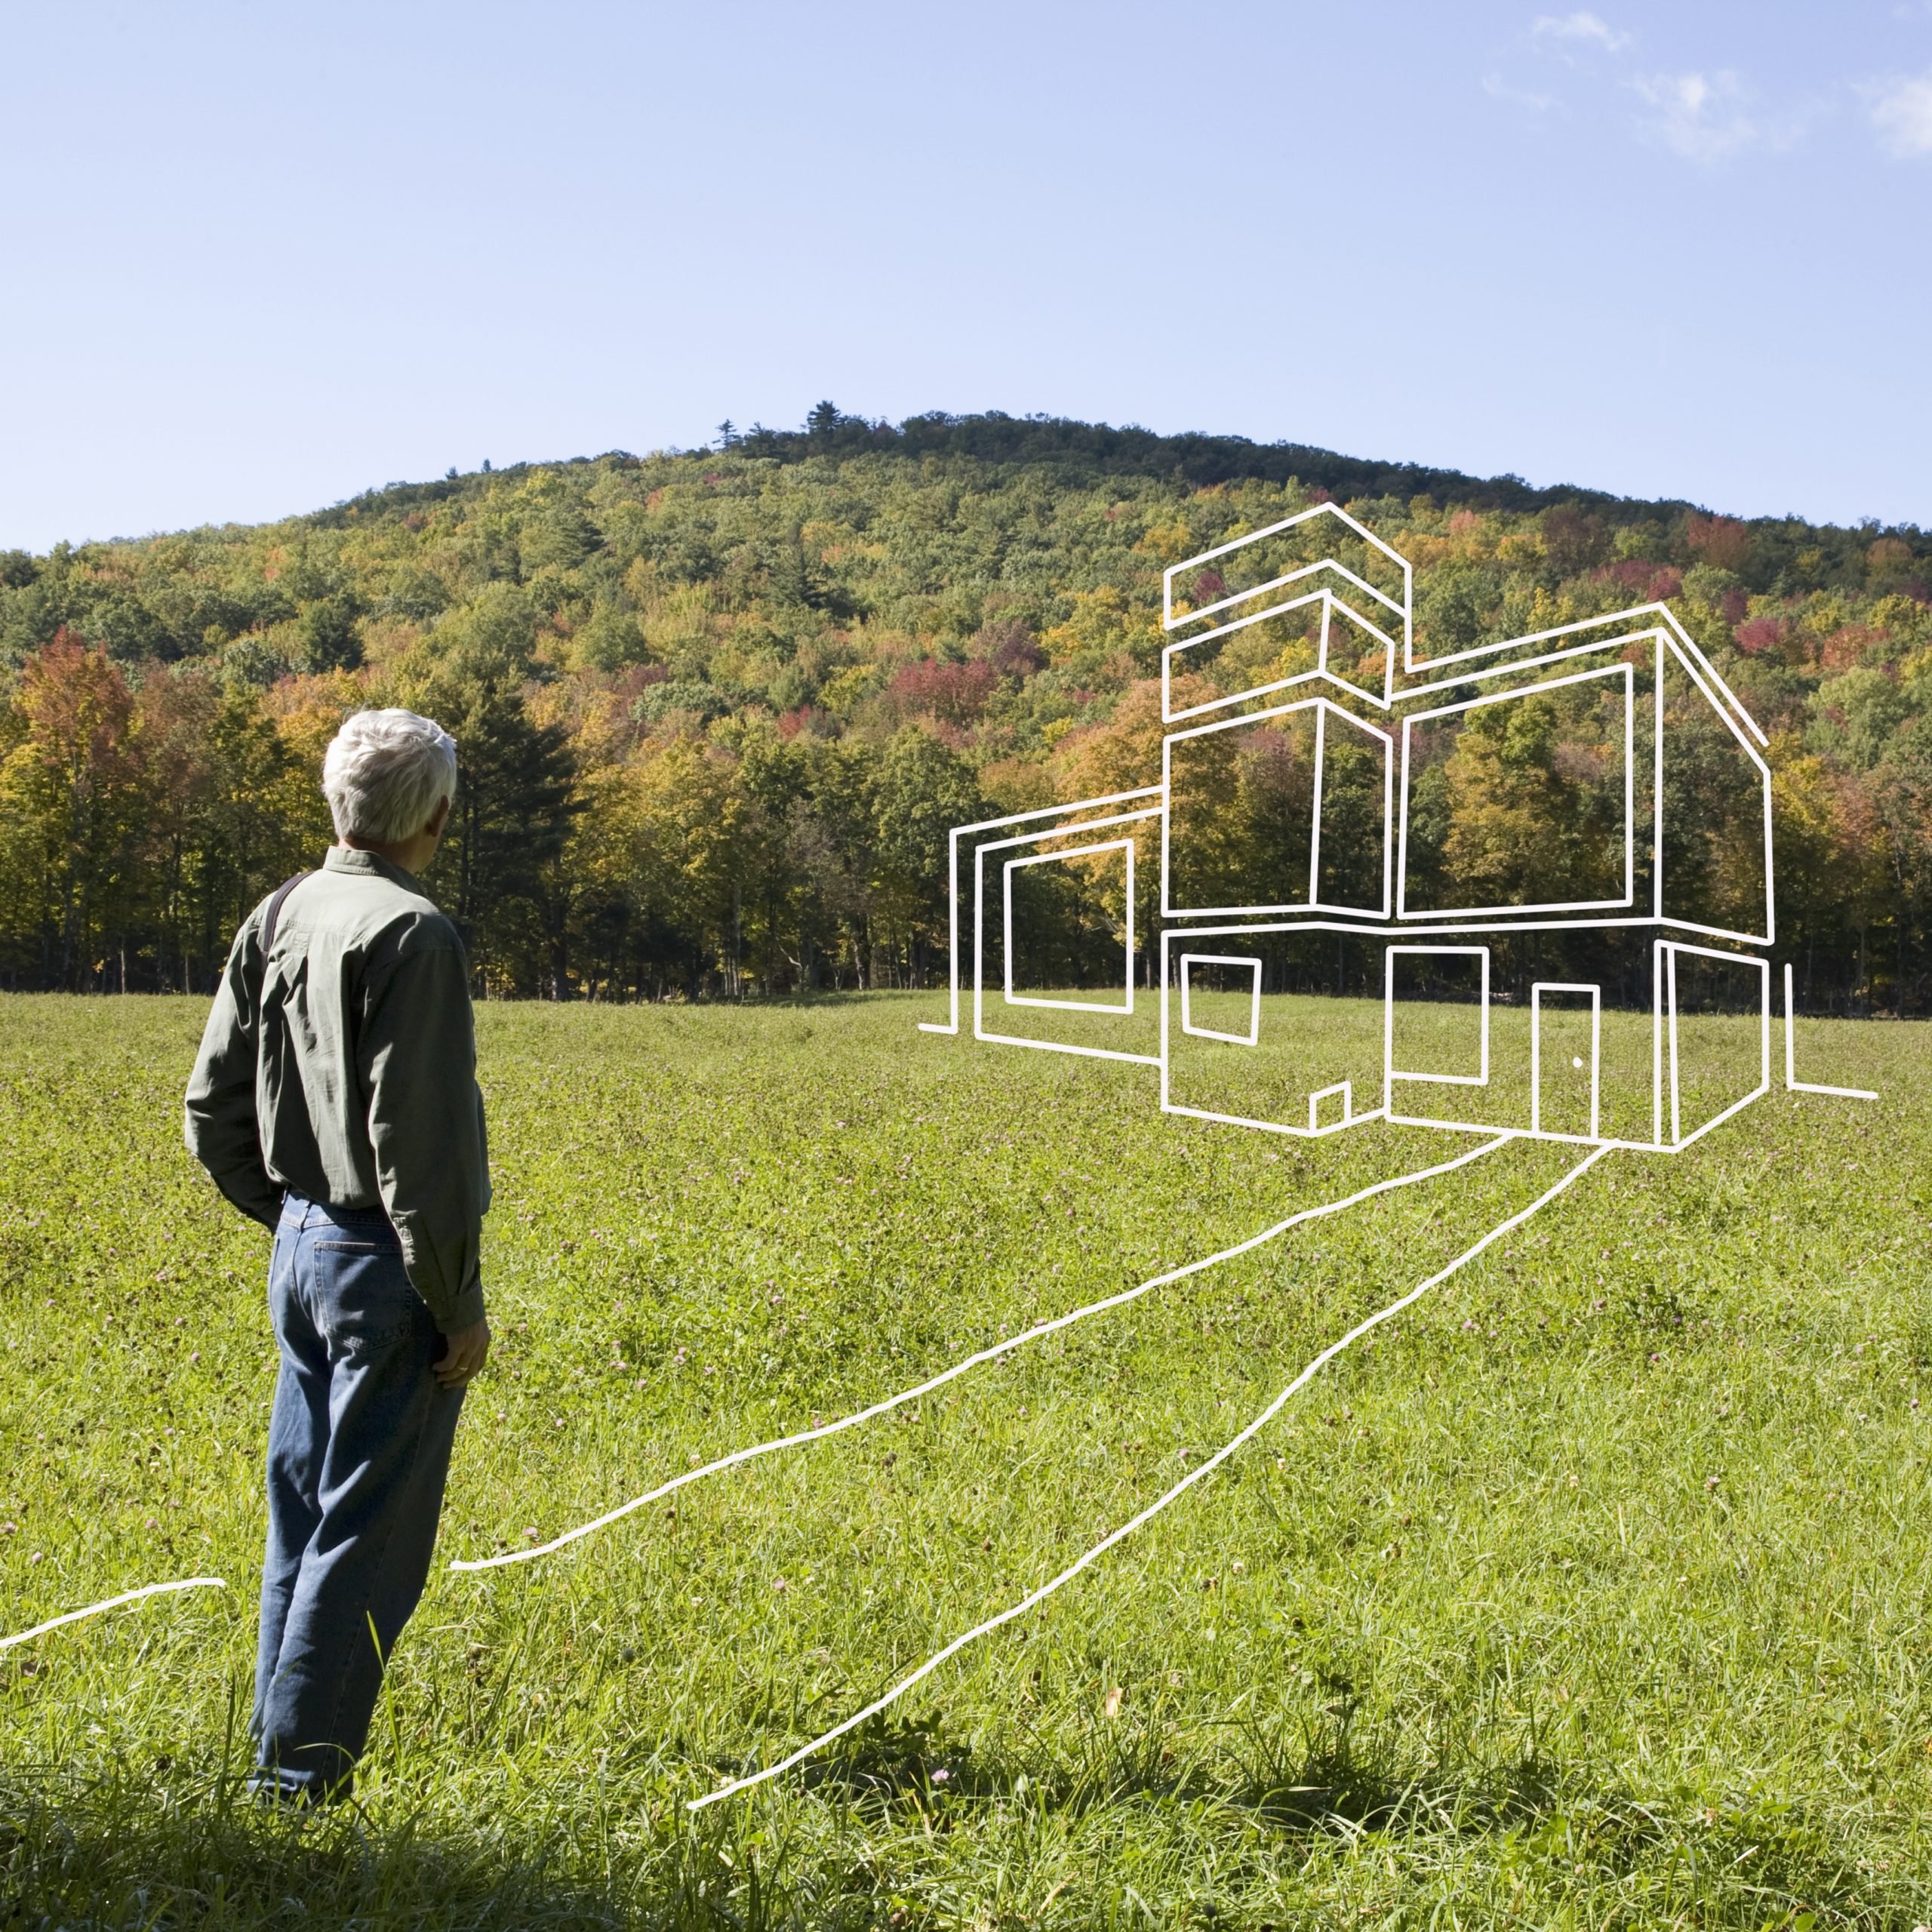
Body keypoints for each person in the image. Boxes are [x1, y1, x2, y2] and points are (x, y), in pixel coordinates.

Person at [183, 707, 491, 1804]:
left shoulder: (280, 911)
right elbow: (422, 1144)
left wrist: (293, 1220)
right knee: (365, 1535)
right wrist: (453, 1299)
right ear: (439, 816)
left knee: (303, 1515)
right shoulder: (417, 936)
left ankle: (274, 1759)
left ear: (336, 801)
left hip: (303, 1247)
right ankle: (294, 1789)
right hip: (385, 1265)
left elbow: (211, 1109)